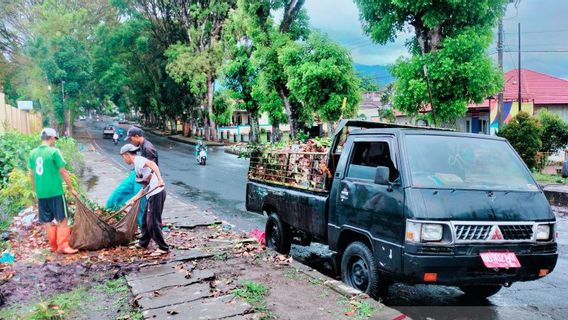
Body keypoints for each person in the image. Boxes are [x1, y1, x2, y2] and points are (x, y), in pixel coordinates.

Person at [28, 128, 78, 254]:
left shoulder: (32, 153)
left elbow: (31, 174)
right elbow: (63, 171)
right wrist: (72, 188)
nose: (54, 141)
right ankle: (63, 246)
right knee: (63, 219)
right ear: (51, 138)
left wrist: (36, 189)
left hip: (41, 193)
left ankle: (54, 246)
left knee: (47, 221)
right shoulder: (54, 152)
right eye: (54, 139)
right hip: (55, 192)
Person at [120, 144, 168, 256]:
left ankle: (163, 247)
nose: (123, 159)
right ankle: (143, 242)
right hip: (151, 194)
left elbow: (153, 165)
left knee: (153, 222)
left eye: (123, 157)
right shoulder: (137, 166)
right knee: (145, 221)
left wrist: (160, 179)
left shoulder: (138, 160)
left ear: (127, 155)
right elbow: (145, 186)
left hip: (157, 193)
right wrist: (135, 198)